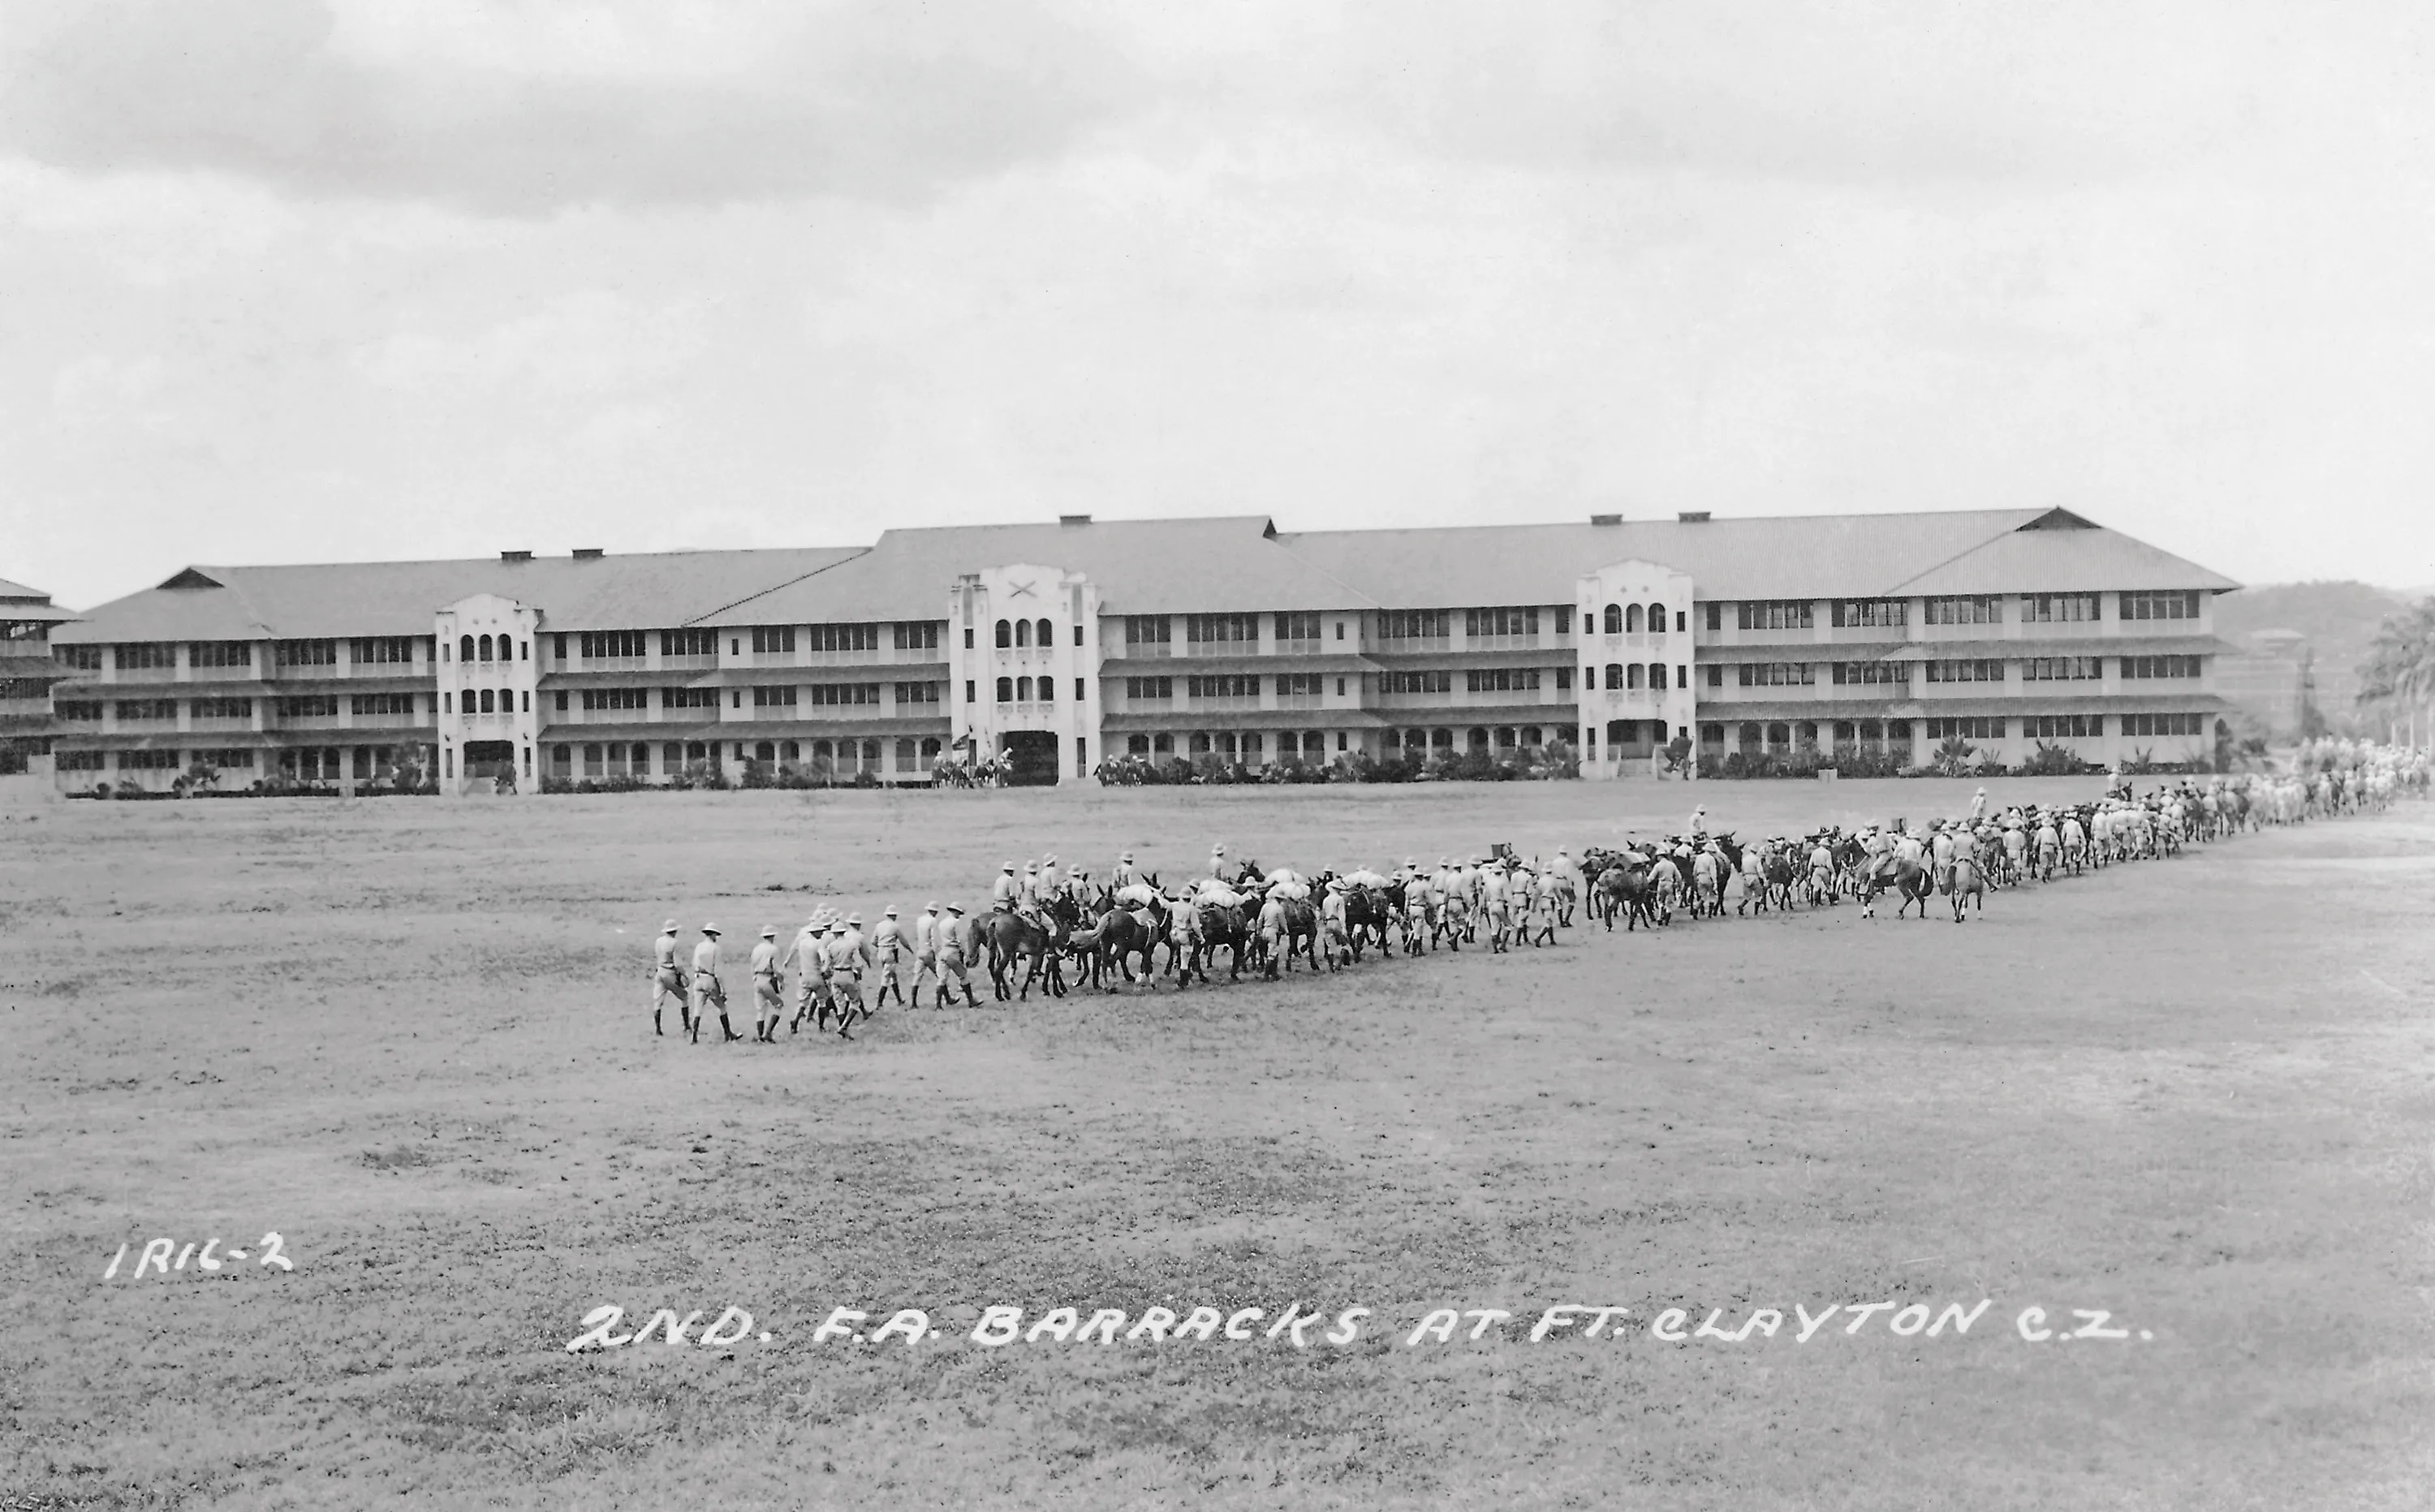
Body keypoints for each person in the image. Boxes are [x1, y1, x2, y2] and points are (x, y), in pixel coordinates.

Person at [690, 924, 739, 1044]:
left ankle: (694, 1036)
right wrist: (722, 989)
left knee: (698, 1009)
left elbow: (694, 963)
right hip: (710, 979)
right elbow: (718, 971)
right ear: (712, 935)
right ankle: (728, 1034)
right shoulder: (715, 948)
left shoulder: (699, 947)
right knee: (722, 1007)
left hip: (698, 978)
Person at [651, 918, 687, 1037]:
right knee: (684, 997)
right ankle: (686, 1025)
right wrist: (684, 975)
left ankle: (658, 1028)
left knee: (658, 1001)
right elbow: (678, 964)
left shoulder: (658, 941)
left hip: (660, 970)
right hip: (670, 972)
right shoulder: (674, 943)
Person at [936, 902, 976, 1007]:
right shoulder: (956, 923)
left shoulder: (942, 922)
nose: (959, 915)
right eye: (959, 913)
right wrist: (967, 953)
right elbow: (961, 940)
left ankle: (938, 1004)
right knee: (963, 976)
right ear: (955, 912)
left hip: (943, 951)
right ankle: (971, 1001)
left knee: (942, 979)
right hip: (953, 951)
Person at [749, 927, 783, 1043]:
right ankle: (768, 1033)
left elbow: (752, 964)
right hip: (768, 978)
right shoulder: (774, 949)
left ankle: (760, 1036)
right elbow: (777, 969)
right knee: (778, 1005)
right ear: (773, 936)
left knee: (761, 1009)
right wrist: (781, 981)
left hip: (757, 978)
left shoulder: (756, 949)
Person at [909, 902, 943, 1007]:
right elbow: (934, 939)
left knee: (917, 977)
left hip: (920, 951)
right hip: (929, 951)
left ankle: (913, 1003)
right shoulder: (933, 921)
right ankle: (941, 1002)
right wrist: (937, 953)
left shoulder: (920, 920)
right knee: (940, 975)